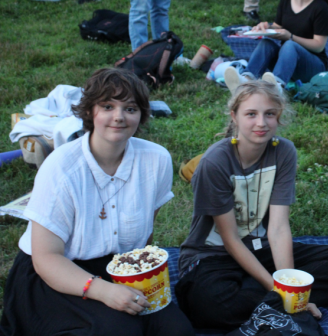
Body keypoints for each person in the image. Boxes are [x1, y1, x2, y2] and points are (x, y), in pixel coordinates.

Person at [0, 68, 194, 336]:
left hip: (118, 268)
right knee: (118, 330)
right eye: (107, 106)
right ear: (90, 112)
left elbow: (145, 234)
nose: (119, 117)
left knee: (176, 331)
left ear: (141, 114)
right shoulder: (61, 167)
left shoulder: (156, 160)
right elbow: (46, 258)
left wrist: (132, 280)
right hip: (56, 272)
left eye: (130, 108)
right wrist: (104, 291)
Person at [176, 80, 328, 330]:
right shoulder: (214, 163)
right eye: (251, 114)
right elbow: (231, 240)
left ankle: (261, 293)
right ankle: (276, 297)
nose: (261, 123)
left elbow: (279, 228)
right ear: (234, 117)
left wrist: (287, 286)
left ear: (279, 116)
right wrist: (285, 295)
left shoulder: (284, 152)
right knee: (209, 306)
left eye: (269, 114)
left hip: (262, 247)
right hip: (214, 256)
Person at [224, 0, 328, 95]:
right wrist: (266, 28)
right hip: (288, 62)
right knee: (266, 44)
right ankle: (245, 81)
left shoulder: (321, 7)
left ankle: (275, 88)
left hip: (313, 67)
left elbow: (319, 46)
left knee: (289, 45)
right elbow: (277, 27)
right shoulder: (286, 2)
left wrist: (291, 37)